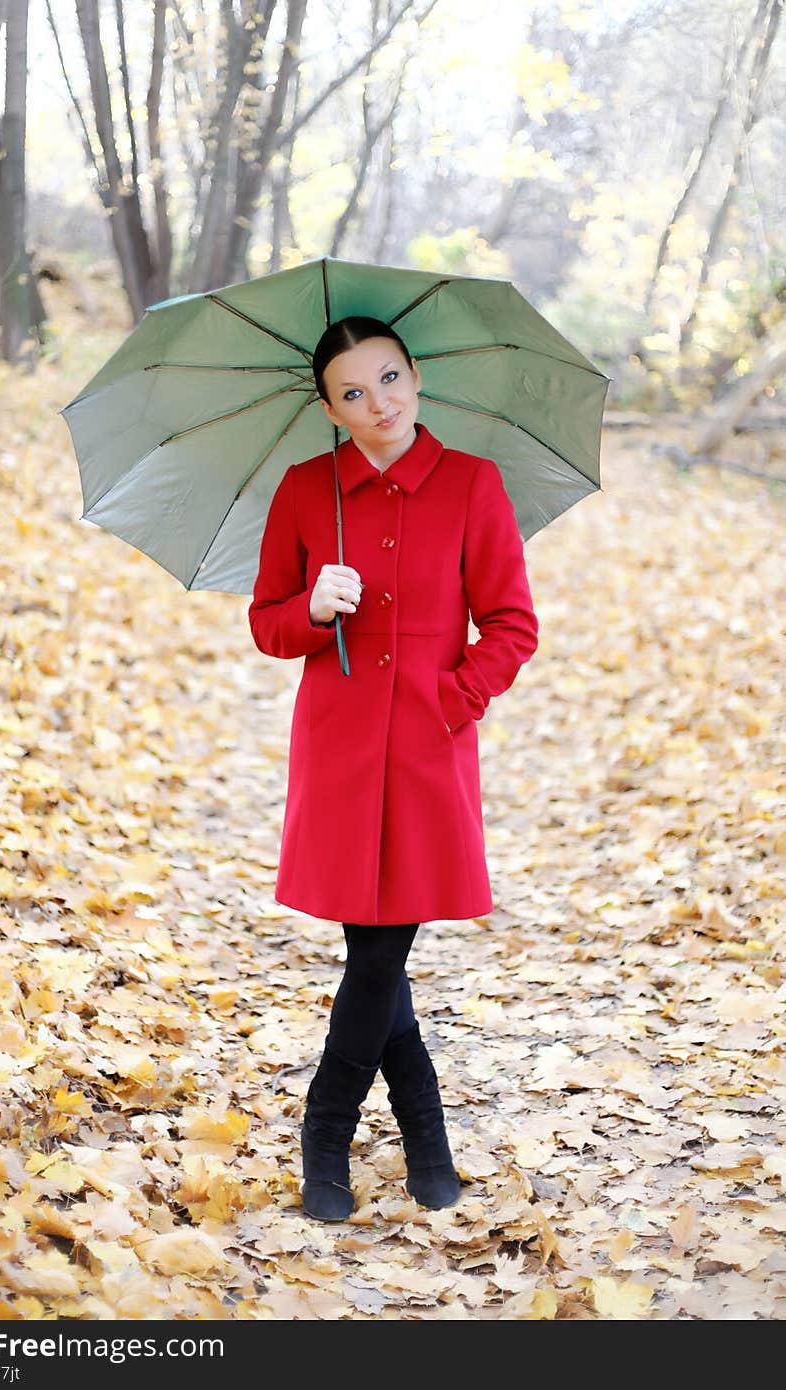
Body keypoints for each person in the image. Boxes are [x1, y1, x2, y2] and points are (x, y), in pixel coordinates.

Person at [247, 316, 539, 1222]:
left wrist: (452, 701)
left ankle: (325, 1139)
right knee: (373, 958)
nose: (379, 404)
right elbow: (267, 624)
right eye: (353, 394)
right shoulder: (305, 491)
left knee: (380, 955)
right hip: (336, 749)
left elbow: (512, 626)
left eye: (389, 378)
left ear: (417, 376)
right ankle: (426, 1143)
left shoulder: (471, 484)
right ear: (331, 411)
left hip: (427, 750)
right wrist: (314, 608)